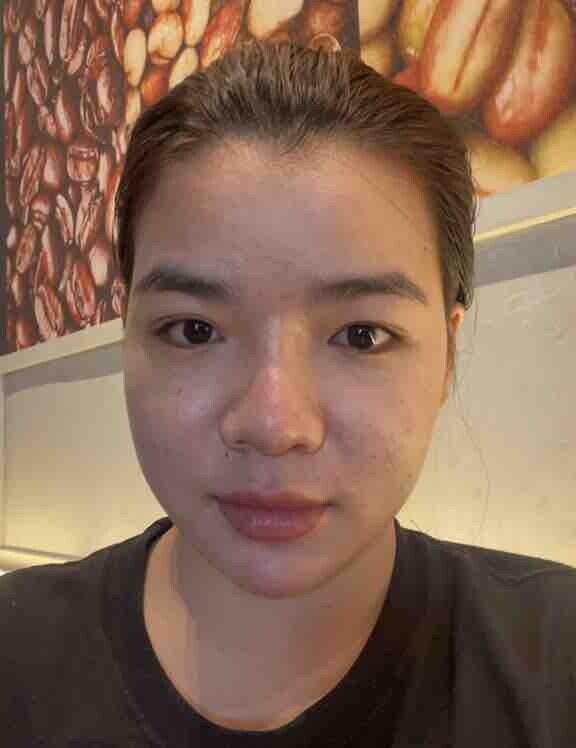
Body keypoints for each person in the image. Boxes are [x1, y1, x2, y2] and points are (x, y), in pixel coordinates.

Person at [1, 41, 575, 747]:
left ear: (448, 354)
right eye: (194, 330)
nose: (273, 424)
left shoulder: (555, 667)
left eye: (361, 336)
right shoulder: (17, 656)